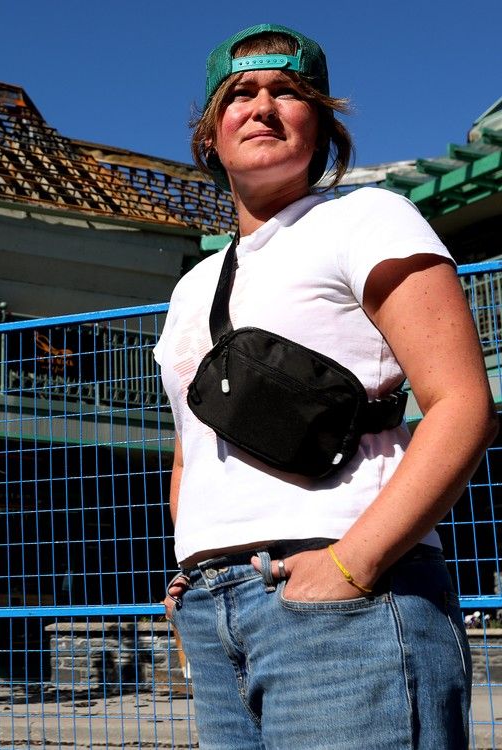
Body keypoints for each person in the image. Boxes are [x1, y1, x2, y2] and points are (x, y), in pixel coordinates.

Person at [153, 23, 498, 749]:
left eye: (290, 92)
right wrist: (191, 569)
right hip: (214, 617)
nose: (264, 106)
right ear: (210, 135)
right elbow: (192, 450)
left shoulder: (366, 219)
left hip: (346, 602)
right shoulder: (191, 287)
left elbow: (463, 403)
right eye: (240, 94)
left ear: (323, 126)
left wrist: (352, 564)